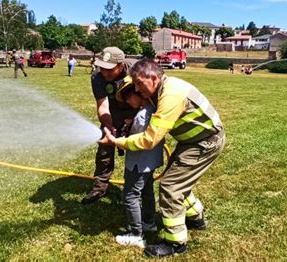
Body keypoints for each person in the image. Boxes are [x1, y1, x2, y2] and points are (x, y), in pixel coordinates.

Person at [99, 59, 225, 258]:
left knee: (171, 186)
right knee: (178, 181)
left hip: (205, 142)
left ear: (154, 78)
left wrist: (118, 142)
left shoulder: (171, 94)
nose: (138, 90)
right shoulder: (159, 89)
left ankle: (175, 243)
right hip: (192, 141)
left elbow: (150, 139)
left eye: (140, 84)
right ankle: (196, 217)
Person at [114, 76, 164, 248]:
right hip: (149, 163)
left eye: (128, 96)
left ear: (138, 92)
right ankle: (149, 223)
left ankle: (136, 234)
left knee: (130, 195)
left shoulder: (142, 116)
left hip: (138, 163)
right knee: (147, 191)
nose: (127, 100)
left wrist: (119, 138)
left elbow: (135, 140)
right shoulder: (150, 110)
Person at [83, 47, 137, 204]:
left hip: (136, 112)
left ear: (121, 66)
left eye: (109, 69)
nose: (104, 73)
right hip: (113, 113)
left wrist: (133, 119)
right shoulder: (97, 78)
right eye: (102, 68)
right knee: (104, 152)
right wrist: (108, 126)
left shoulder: (135, 70)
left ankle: (133, 189)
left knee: (136, 151)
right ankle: (100, 187)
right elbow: (102, 105)